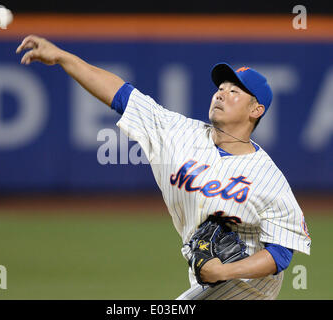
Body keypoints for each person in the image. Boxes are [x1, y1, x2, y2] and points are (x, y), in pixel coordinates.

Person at [16, 35, 311, 300]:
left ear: (255, 110)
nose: (221, 93)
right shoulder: (178, 133)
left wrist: (224, 273)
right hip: (208, 285)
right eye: (220, 87)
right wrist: (64, 58)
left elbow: (281, 253)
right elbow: (121, 95)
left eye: (235, 91)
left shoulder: (268, 178)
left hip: (248, 290)